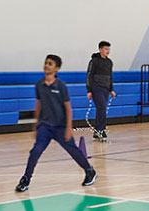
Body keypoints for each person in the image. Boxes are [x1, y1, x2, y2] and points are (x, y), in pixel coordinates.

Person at [15, 54, 97, 193]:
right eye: (46, 63)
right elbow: (38, 104)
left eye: (50, 64)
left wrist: (68, 127)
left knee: (73, 150)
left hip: (61, 127)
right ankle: (26, 179)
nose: (46, 65)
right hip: (45, 127)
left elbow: (67, 107)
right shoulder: (39, 85)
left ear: (57, 68)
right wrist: (36, 125)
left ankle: (89, 171)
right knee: (35, 151)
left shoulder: (61, 86)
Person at [86, 41, 115, 141]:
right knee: (102, 108)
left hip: (106, 89)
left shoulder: (109, 62)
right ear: (100, 49)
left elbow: (110, 77)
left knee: (101, 110)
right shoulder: (94, 61)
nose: (108, 51)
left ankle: (97, 131)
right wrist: (89, 90)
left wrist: (111, 89)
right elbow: (89, 75)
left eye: (109, 49)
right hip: (96, 88)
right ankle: (101, 131)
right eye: (106, 49)